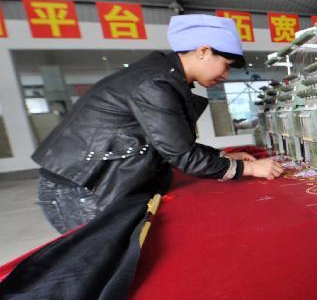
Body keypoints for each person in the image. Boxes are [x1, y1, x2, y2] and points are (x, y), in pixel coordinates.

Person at [32, 14, 284, 233]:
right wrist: (249, 169)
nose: (225, 75)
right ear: (204, 51)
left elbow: (170, 141)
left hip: (88, 182)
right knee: (103, 260)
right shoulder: (154, 82)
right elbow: (182, 155)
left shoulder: (165, 76)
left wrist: (223, 156)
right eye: (225, 66)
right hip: (81, 187)